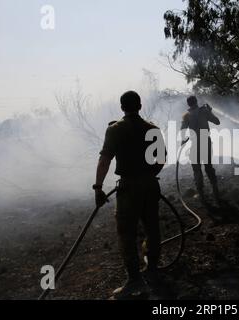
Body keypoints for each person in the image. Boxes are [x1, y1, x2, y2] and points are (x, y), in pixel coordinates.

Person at [93, 91, 165, 297]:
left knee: (126, 233)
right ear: (140, 106)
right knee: (152, 227)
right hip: (151, 185)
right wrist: (149, 177)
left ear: (122, 107)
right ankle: (152, 271)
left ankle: (135, 280)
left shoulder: (115, 130)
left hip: (129, 188)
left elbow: (105, 160)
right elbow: (160, 161)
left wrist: (98, 188)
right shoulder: (154, 129)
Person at [181, 96, 221, 202]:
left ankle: (201, 193)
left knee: (196, 169)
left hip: (195, 145)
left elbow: (183, 132)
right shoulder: (204, 111)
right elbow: (217, 122)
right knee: (208, 166)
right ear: (196, 102)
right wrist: (210, 111)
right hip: (206, 142)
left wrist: (183, 141)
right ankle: (215, 189)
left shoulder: (186, 116)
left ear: (188, 104)